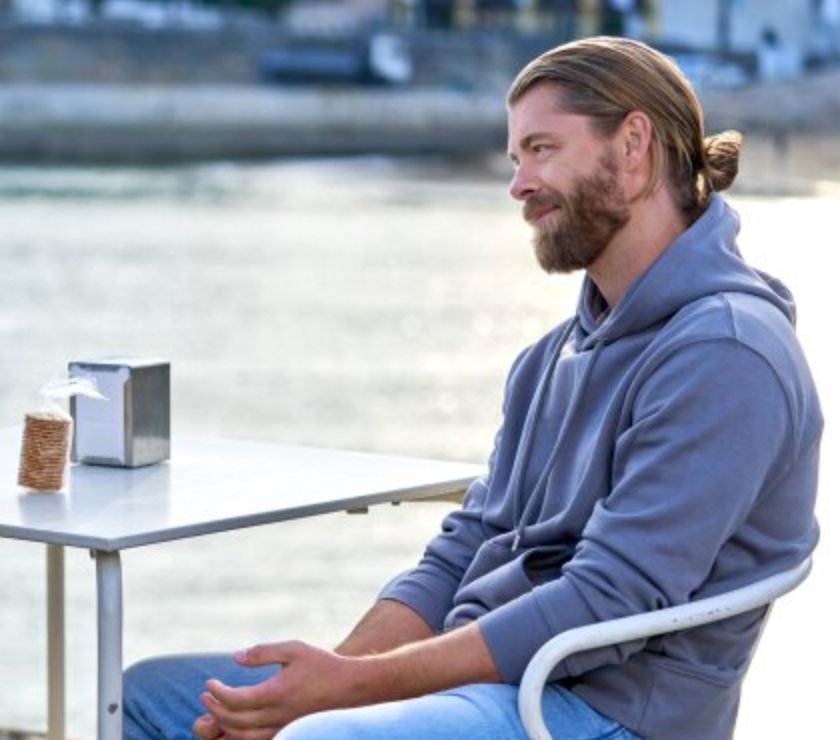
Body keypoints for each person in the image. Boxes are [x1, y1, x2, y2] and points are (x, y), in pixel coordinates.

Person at [123, 36, 821, 740]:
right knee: (149, 698)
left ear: (634, 144)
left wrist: (347, 696)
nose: (517, 183)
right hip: (493, 682)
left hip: (604, 712)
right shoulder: (551, 356)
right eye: (517, 157)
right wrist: (329, 675)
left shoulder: (726, 355)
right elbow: (466, 546)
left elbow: (606, 603)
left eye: (542, 149)